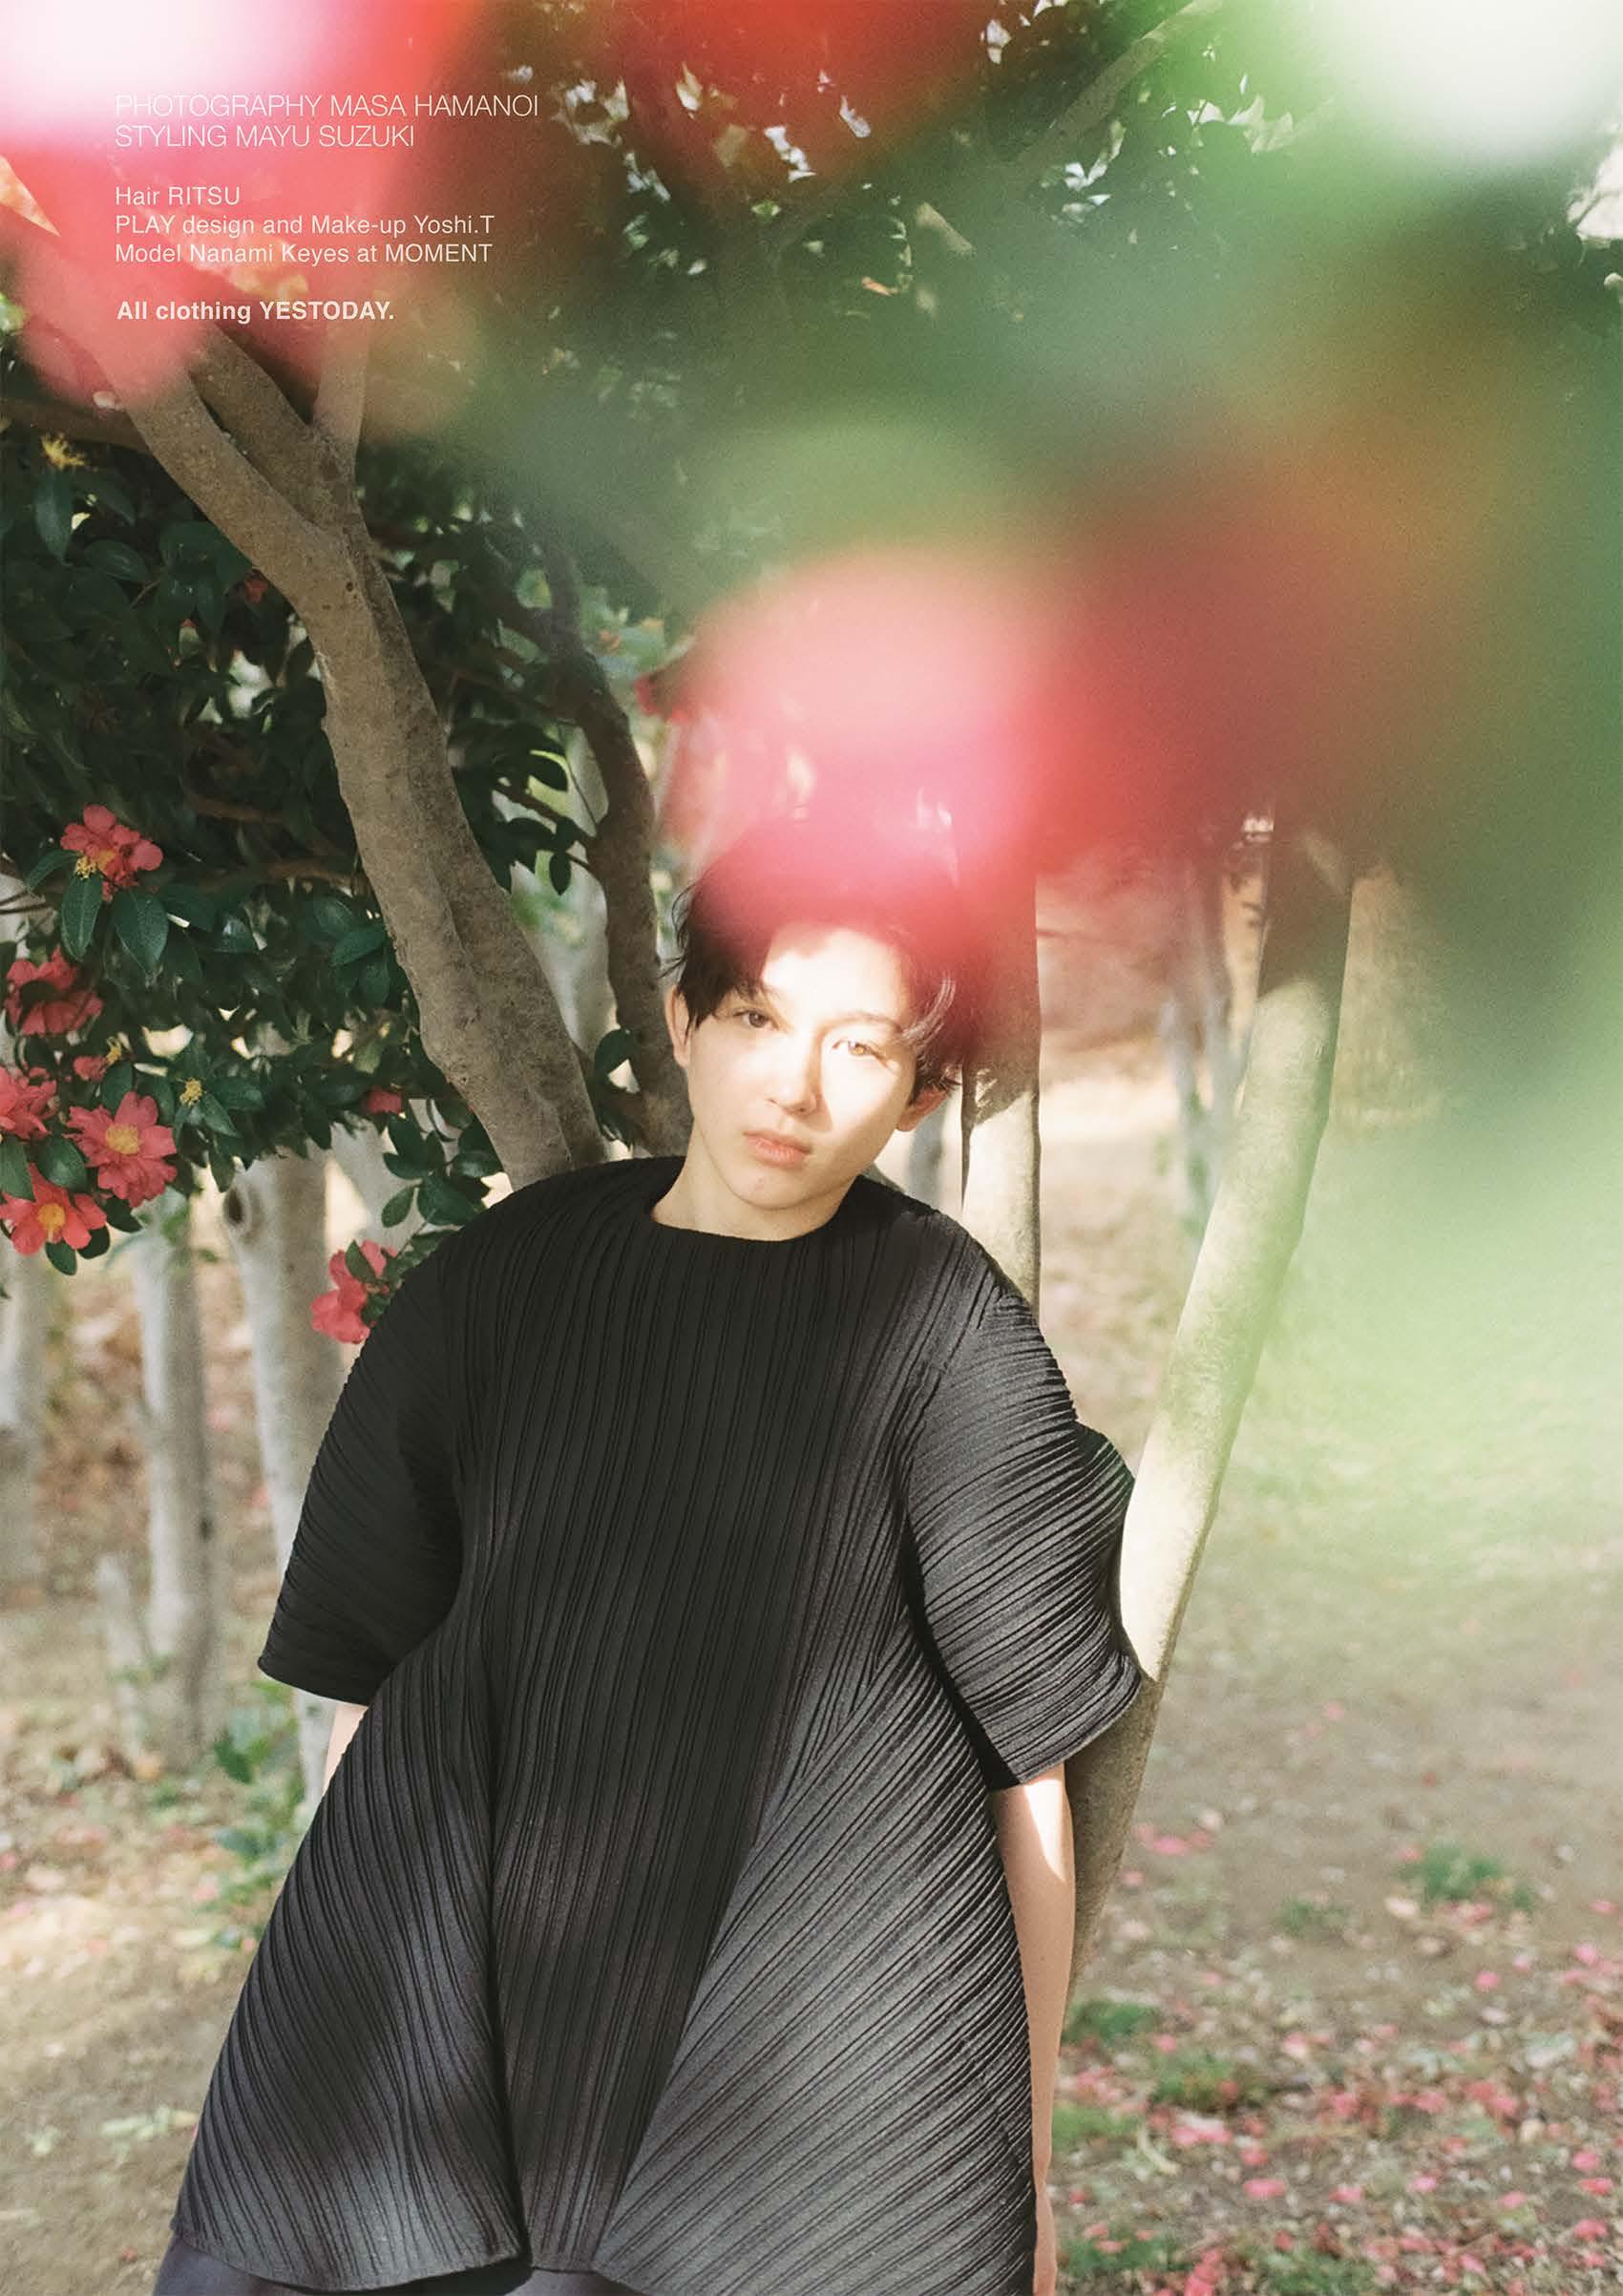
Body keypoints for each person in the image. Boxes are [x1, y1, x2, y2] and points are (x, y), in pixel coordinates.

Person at [151, 805, 1144, 2296]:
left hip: (798, 2029)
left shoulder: (946, 1335)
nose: (794, 1086)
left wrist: (1026, 2165)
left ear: (919, 1094)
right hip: (481, 1988)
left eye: (861, 1046)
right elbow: (373, 1687)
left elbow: (1032, 1777)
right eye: (757, 1018)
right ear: (683, 1020)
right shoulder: (506, 1280)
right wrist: (358, 2028)